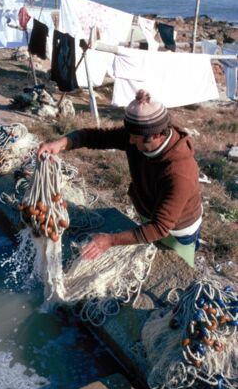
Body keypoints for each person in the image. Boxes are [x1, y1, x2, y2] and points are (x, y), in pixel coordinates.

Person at [37, 90, 202, 267]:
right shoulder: (138, 136)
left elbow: (160, 228)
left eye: (135, 137)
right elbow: (93, 137)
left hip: (179, 228)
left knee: (176, 255)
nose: (129, 141)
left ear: (155, 135)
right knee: (152, 238)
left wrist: (110, 240)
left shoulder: (179, 173)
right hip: (151, 210)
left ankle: (183, 257)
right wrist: (61, 144)